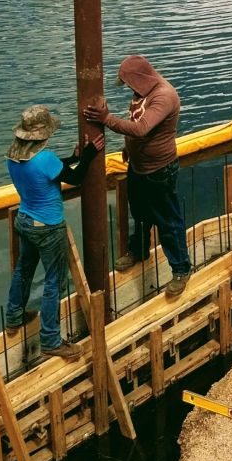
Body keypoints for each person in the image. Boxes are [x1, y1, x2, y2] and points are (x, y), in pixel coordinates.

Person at [82, 55, 192, 298]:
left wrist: (106, 119)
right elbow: (137, 121)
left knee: (168, 222)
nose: (129, 88)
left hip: (159, 170)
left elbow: (142, 129)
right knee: (141, 214)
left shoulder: (164, 96)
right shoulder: (144, 92)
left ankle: (182, 268)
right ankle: (140, 250)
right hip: (139, 167)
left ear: (139, 78)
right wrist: (128, 148)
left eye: (129, 83)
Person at [4, 105, 104, 360]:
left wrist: (73, 156)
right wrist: (90, 153)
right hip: (48, 226)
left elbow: (56, 169)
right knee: (54, 282)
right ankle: (50, 340)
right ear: (43, 133)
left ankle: (14, 318)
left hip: (24, 220)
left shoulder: (13, 156)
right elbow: (76, 178)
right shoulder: (45, 159)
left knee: (23, 270)